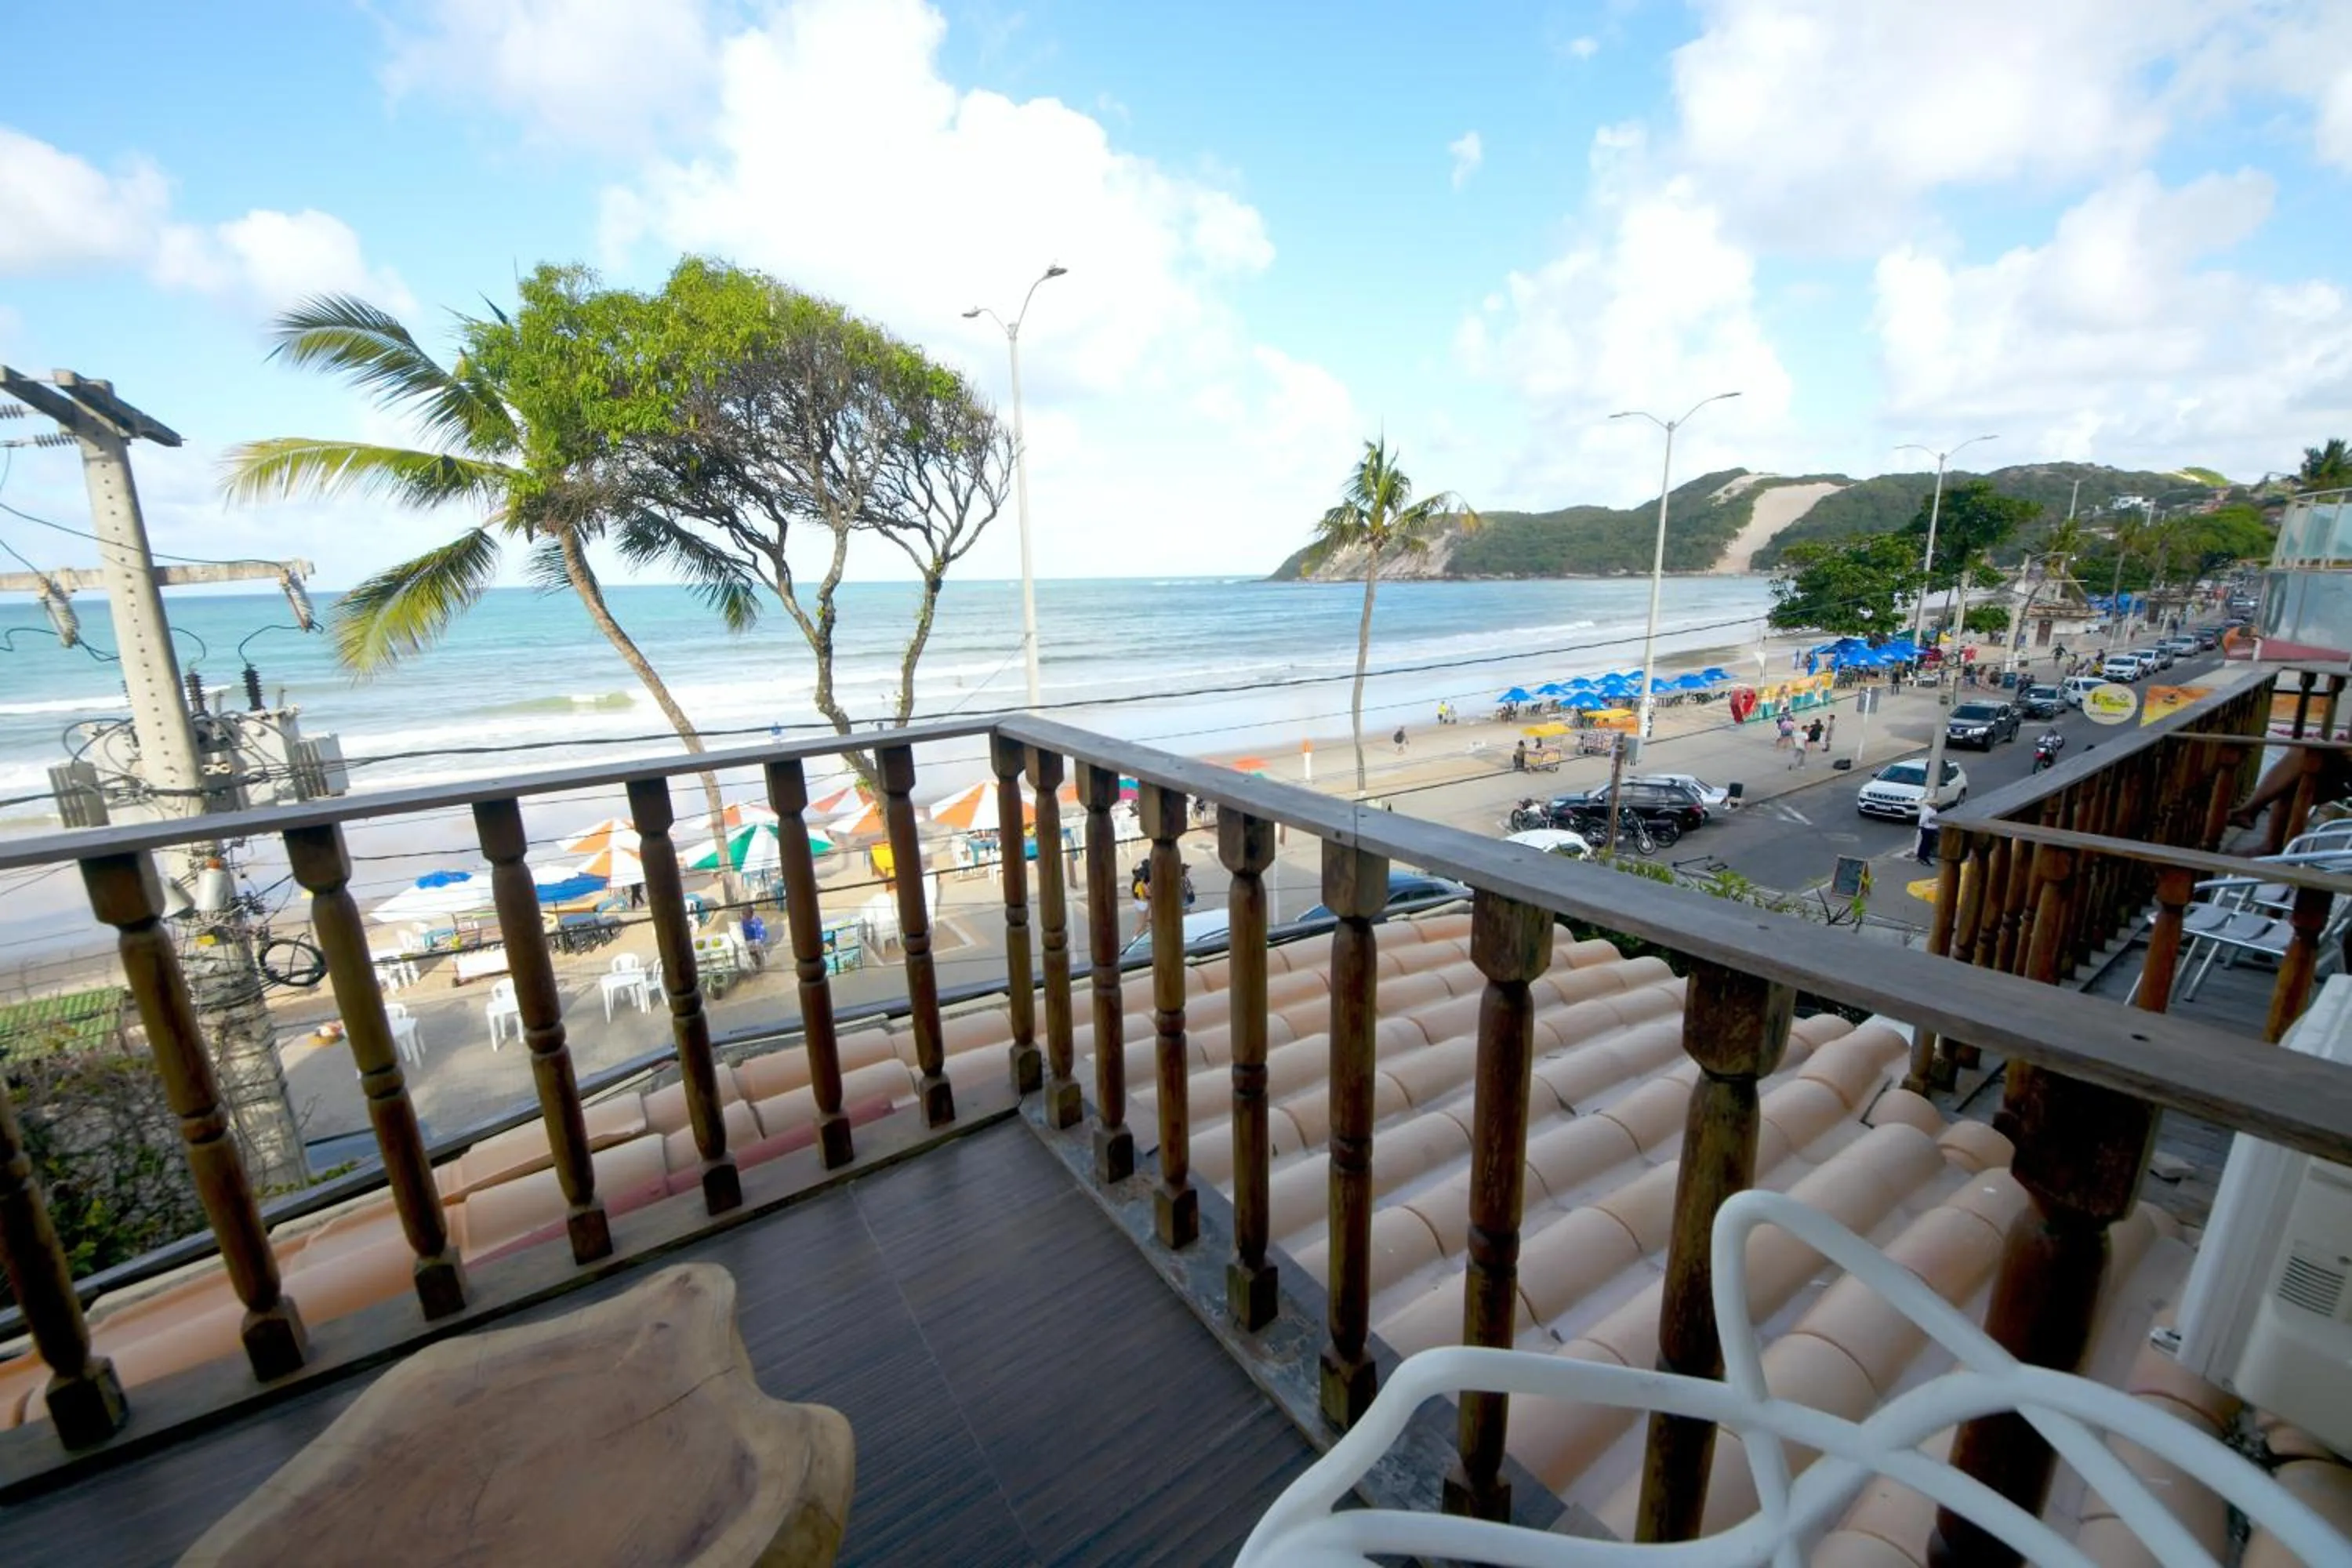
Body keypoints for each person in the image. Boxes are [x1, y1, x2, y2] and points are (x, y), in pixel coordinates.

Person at [1915, 800, 1940, 865]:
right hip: (1927, 829)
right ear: (1931, 804)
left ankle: (1921, 856)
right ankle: (1923, 857)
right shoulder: (1928, 811)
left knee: (1926, 843)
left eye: (1936, 804)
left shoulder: (1933, 811)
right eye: (1935, 804)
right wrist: (1920, 825)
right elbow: (1923, 820)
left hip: (1931, 829)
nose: (1936, 805)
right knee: (1926, 844)